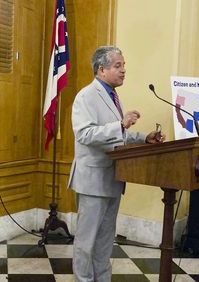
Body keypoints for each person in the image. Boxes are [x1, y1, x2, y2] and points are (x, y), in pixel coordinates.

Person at [68, 46, 165, 282]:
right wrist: (121, 124)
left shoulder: (112, 95)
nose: (124, 71)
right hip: (92, 181)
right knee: (86, 241)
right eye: (118, 66)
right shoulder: (86, 96)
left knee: (104, 240)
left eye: (124, 65)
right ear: (101, 69)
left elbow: (116, 135)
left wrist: (144, 137)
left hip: (112, 179)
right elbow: (85, 134)